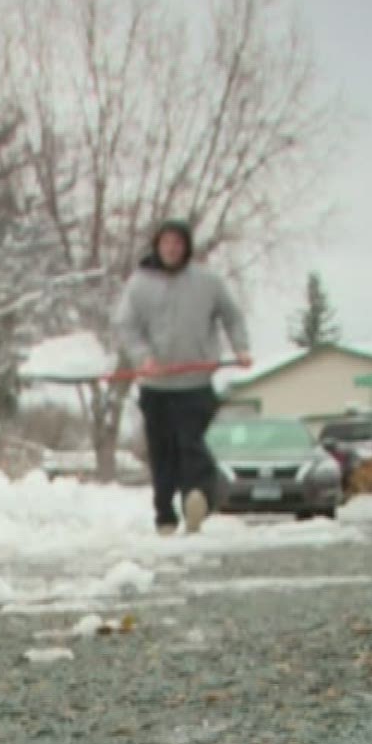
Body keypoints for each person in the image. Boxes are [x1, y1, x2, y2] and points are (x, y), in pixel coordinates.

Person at [113, 220, 253, 536]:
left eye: (178, 242)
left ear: (187, 247)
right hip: (156, 387)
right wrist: (143, 358)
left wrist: (241, 348)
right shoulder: (139, 284)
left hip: (195, 384)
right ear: (157, 246)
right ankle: (165, 514)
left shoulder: (207, 282)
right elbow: (126, 325)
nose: (172, 248)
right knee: (162, 451)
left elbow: (232, 316)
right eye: (166, 242)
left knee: (191, 444)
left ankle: (196, 499)